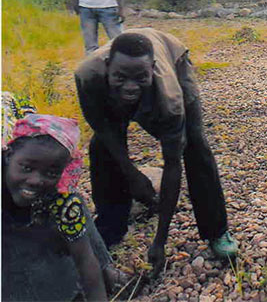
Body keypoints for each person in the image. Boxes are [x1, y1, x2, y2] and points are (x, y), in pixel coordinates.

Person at [74, 29, 238, 278]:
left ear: (152, 69)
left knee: (195, 145)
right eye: (120, 77)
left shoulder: (169, 99)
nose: (130, 87)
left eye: (140, 77)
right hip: (110, 82)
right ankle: (111, 225)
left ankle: (216, 229)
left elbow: (173, 164)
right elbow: (105, 130)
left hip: (172, 54)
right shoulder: (87, 76)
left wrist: (160, 241)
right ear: (107, 67)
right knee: (101, 147)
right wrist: (132, 175)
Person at [1, 93, 137, 300]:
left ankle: (105, 270)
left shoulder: (63, 200)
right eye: (27, 168)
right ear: (8, 155)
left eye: (51, 173)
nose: (36, 180)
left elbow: (84, 258)